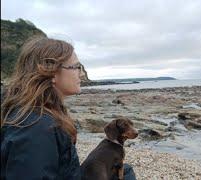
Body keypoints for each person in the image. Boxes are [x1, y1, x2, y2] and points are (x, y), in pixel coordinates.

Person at [1, 37, 136, 180]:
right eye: (77, 67)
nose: (82, 73)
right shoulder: (36, 128)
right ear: (51, 72)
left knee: (125, 170)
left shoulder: (42, 112)